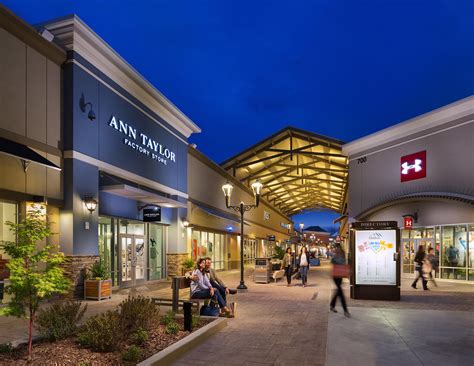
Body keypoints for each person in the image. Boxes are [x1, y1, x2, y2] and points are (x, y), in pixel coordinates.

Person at [329, 245, 350, 317]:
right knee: (340, 292)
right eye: (336, 248)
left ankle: (332, 305)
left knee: (338, 291)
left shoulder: (341, 255)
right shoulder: (335, 256)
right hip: (335, 276)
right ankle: (345, 310)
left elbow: (344, 264)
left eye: (338, 248)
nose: (337, 249)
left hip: (340, 276)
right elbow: (332, 263)